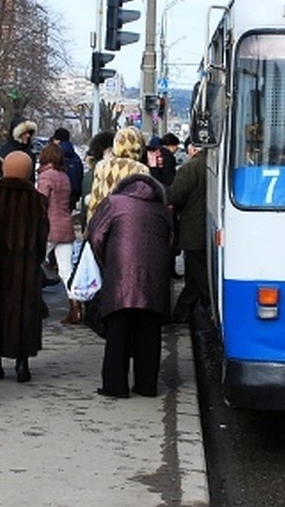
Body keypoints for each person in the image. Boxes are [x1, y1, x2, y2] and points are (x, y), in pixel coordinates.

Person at [87, 173, 174, 398]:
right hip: (155, 277)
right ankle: (147, 385)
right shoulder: (162, 209)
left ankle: (115, 386)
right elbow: (173, 240)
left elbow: (96, 235)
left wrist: (107, 262)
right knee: (149, 331)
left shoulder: (114, 203)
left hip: (119, 275)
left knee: (118, 330)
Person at [0, 152, 49, 383]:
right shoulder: (36, 200)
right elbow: (41, 236)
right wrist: (36, 259)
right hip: (24, 267)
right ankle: (21, 364)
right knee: (23, 311)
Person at [167, 139, 211, 324]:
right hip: (208, 230)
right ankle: (181, 313)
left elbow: (175, 195)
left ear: (192, 149)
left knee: (199, 276)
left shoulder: (191, 168)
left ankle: (207, 308)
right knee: (194, 277)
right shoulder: (212, 164)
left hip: (194, 231)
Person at [36, 143, 79, 323]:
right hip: (66, 225)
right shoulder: (64, 176)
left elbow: (40, 201)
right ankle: (75, 307)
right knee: (66, 270)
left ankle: (33, 306)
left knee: (32, 264)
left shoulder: (46, 176)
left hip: (49, 228)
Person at [86, 127, 151, 226]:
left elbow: (95, 199)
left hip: (103, 221)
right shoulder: (140, 169)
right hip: (127, 223)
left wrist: (90, 226)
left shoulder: (102, 166)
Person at [51, 127, 84, 210]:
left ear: (58, 140)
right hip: (73, 195)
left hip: (58, 194)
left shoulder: (55, 155)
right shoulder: (76, 157)